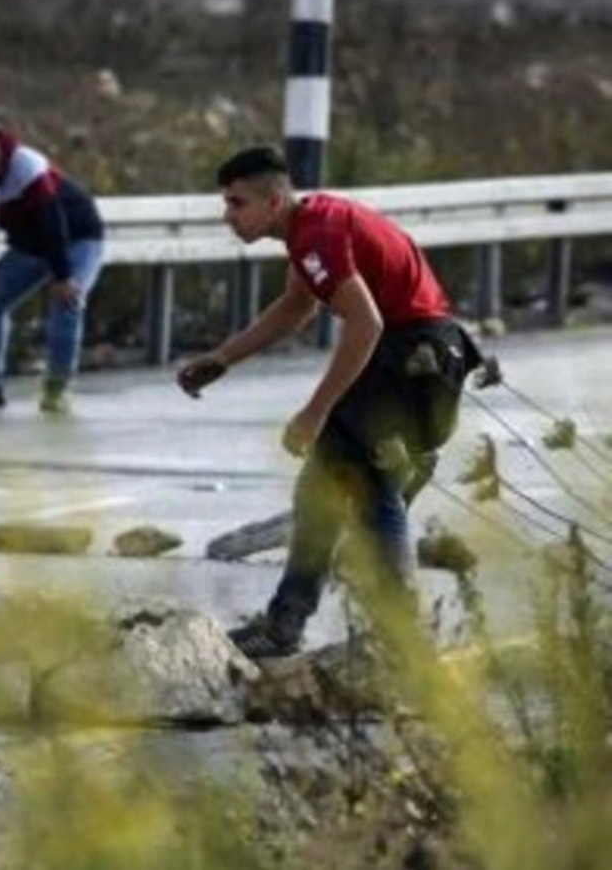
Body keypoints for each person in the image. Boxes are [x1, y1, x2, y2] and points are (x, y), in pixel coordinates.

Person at [178, 145, 482, 659]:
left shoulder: (315, 235)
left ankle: (395, 635)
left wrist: (314, 412)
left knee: (367, 485)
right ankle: (288, 623)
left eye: (236, 203)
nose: (228, 216)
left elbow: (366, 324)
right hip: (422, 350)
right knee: (322, 487)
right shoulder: (309, 227)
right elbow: (297, 307)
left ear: (273, 201)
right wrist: (224, 358)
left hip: (413, 356)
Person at [0, 122, 105, 415]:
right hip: (31, 245)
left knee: (66, 300)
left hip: (78, 235)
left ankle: (57, 389)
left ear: (1, 153)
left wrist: (63, 275)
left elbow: (53, 222)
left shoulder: (26, 166)